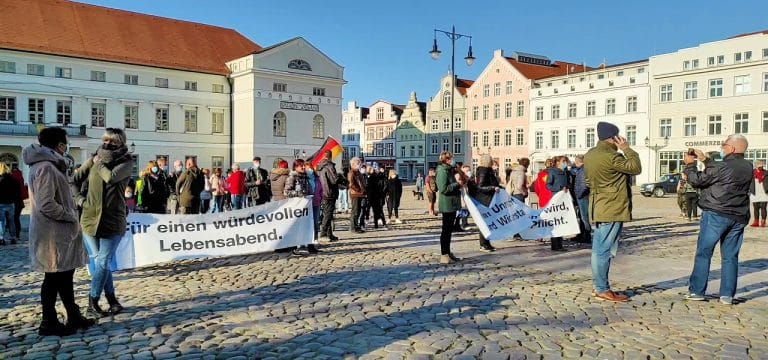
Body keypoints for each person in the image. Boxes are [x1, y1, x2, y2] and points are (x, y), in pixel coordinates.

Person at [23, 127, 95, 336]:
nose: (66, 148)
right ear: (60, 145)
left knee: (64, 276)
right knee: (53, 278)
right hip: (53, 235)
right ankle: (48, 322)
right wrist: (71, 215)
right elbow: (47, 204)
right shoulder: (46, 167)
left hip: (59, 234)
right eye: (65, 144)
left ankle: (73, 315)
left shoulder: (50, 165)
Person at [683, 134, 753, 305]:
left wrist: (690, 165)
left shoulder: (721, 166)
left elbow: (697, 181)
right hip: (738, 215)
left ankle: (697, 291)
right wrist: (705, 160)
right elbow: (722, 172)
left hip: (716, 213)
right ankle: (727, 295)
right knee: (730, 256)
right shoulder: (748, 166)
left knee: (704, 252)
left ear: (732, 148)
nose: (722, 147)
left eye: (724, 144)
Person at [73, 128, 132, 317]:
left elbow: (111, 177)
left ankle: (92, 302)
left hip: (112, 220)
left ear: (120, 143)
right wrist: (80, 199)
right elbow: (74, 179)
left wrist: (98, 164)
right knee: (101, 262)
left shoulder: (126, 162)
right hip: (90, 220)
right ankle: (112, 301)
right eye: (105, 140)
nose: (107, 144)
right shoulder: (93, 158)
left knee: (103, 262)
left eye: (112, 141)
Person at [583, 122, 642, 302]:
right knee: (603, 250)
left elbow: (586, 181)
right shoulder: (612, 156)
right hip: (612, 207)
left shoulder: (590, 155)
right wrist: (627, 149)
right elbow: (635, 168)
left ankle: (598, 286)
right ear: (614, 137)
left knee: (598, 249)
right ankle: (602, 288)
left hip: (598, 205)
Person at [285, 159, 320, 256]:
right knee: (297, 226)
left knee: (309, 225)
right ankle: (294, 247)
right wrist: (298, 194)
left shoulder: (305, 176)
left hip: (307, 205)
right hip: (297, 206)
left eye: (304, 166)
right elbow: (286, 192)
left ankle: (310, 245)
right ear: (296, 167)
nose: (304, 167)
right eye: (301, 166)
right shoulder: (292, 177)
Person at [436, 152, 464, 264]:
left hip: (452, 203)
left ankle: (448, 252)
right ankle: (444, 254)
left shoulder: (449, 169)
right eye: (451, 158)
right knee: (446, 230)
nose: (453, 160)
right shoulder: (442, 171)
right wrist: (457, 184)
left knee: (449, 230)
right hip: (447, 204)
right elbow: (443, 189)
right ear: (446, 160)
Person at [474, 154, 500, 252]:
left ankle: (487, 243)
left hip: (490, 199)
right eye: (491, 160)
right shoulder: (483, 171)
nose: (493, 161)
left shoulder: (488, 170)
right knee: (484, 223)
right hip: (485, 200)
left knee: (489, 222)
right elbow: (480, 186)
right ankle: (483, 244)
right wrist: (493, 188)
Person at [546, 156, 571, 251]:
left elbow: (568, 183)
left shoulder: (566, 172)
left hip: (564, 199)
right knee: (556, 222)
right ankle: (555, 245)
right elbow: (548, 185)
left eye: (566, 161)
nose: (565, 163)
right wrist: (559, 188)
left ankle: (560, 244)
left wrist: (567, 187)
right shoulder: (552, 172)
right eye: (563, 161)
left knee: (561, 222)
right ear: (557, 162)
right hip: (556, 199)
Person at [317, 151, 339, 241]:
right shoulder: (329, 166)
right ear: (331, 156)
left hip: (322, 191)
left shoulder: (319, 166)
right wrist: (340, 177)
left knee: (327, 213)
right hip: (329, 192)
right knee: (328, 214)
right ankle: (323, 234)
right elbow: (334, 180)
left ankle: (329, 234)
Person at [570, 155, 592, 241]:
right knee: (581, 216)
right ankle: (581, 234)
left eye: (576, 162)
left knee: (584, 217)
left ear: (578, 162)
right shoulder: (580, 169)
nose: (575, 163)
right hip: (580, 195)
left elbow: (584, 185)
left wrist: (579, 194)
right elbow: (573, 172)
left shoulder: (583, 170)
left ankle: (587, 235)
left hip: (582, 196)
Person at [0, 163, 21, 245]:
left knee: (1, 221)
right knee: (11, 221)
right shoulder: (13, 179)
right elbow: (18, 191)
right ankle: (13, 237)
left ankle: (1, 238)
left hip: (0, 203)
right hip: (10, 203)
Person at [347, 157, 366, 234]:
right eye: (358, 163)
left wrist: (364, 190)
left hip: (360, 194)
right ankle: (353, 227)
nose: (359, 164)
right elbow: (351, 184)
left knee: (358, 211)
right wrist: (360, 190)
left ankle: (356, 226)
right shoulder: (352, 172)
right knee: (355, 211)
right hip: (355, 194)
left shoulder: (358, 172)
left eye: (359, 163)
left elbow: (362, 182)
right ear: (353, 164)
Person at [10, 164, 26, 241]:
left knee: (12, 219)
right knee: (16, 218)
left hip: (12, 201)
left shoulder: (11, 177)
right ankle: (17, 234)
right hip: (19, 201)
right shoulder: (20, 176)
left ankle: (13, 235)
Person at [749, 160, 768, 227]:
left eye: (762, 165)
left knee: (763, 207)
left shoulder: (766, 172)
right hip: (755, 192)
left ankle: (763, 221)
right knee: (756, 208)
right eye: (759, 165)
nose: (761, 166)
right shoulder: (752, 173)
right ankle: (756, 222)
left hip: (764, 192)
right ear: (756, 165)